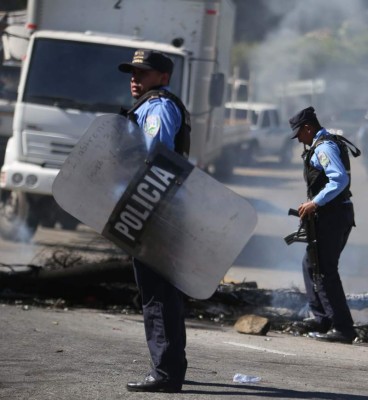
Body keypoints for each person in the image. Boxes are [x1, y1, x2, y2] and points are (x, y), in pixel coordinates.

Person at [118, 49, 191, 393]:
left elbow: (155, 155)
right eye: (132, 72)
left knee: (158, 294)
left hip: (157, 208)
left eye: (142, 73)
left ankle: (165, 373)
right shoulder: (151, 103)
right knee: (162, 293)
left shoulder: (159, 106)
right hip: (158, 206)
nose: (135, 78)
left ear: (162, 77)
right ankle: (170, 367)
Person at [289, 106, 359, 345]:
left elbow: (339, 179)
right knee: (310, 264)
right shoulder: (323, 144)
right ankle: (322, 318)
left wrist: (315, 203)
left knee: (325, 270)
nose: (298, 139)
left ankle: (343, 327)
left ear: (308, 128)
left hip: (332, 216)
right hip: (334, 214)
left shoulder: (324, 147)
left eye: (299, 133)